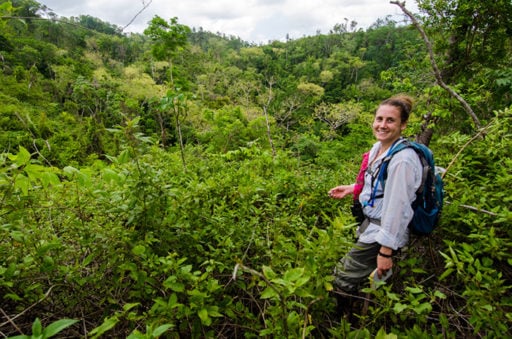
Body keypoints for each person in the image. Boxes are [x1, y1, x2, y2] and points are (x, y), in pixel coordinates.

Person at [328, 95, 423, 295]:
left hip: (382, 235)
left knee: (340, 279)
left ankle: (343, 319)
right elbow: (379, 184)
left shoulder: (402, 161)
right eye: (379, 119)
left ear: (403, 125)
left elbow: (398, 209)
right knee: (361, 279)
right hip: (370, 225)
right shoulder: (378, 149)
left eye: (390, 120)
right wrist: (352, 188)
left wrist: (385, 252)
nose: (382, 125)